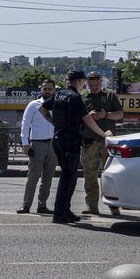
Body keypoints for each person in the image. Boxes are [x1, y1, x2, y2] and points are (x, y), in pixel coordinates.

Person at [49, 70, 109, 224]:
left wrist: (56, 124)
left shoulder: (59, 94)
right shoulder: (75, 97)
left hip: (58, 140)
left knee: (71, 177)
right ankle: (59, 213)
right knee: (67, 178)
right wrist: (103, 134)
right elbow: (87, 120)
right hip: (70, 142)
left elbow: (42, 109)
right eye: (84, 82)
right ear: (80, 81)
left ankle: (66, 211)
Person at [81, 73, 124, 216]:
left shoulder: (110, 95)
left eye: (96, 85)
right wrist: (89, 115)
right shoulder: (83, 97)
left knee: (111, 174)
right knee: (90, 175)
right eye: (91, 85)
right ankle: (91, 206)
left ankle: (113, 206)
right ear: (87, 84)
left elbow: (120, 115)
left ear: (101, 82)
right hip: (89, 142)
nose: (94, 88)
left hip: (107, 141)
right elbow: (79, 118)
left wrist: (106, 115)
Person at [17, 79, 58, 214]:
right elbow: (25, 124)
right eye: (45, 88)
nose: (47, 91)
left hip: (53, 145)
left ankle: (42, 205)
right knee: (33, 177)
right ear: (41, 89)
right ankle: (26, 205)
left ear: (54, 90)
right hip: (37, 144)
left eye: (50, 89)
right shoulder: (34, 105)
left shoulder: (57, 105)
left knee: (48, 178)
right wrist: (25, 143)